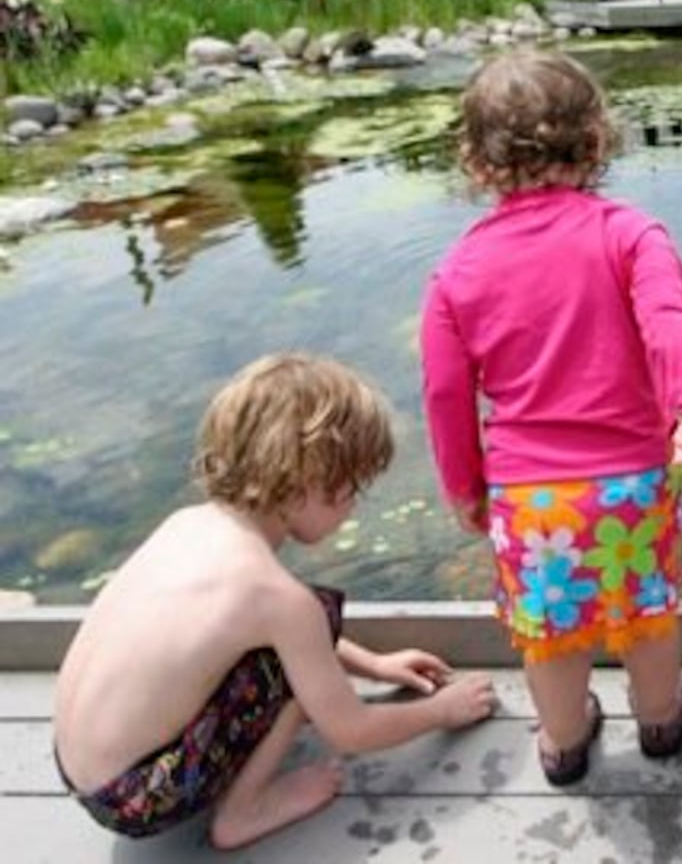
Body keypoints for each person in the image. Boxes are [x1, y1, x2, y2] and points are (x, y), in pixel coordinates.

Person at [420, 50, 682, 787]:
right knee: (647, 611)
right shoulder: (632, 234)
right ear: (596, 143)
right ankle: (658, 722)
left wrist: (466, 487)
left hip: (531, 499)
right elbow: (667, 319)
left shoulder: (456, 272)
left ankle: (563, 742)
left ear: (476, 163)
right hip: (633, 483)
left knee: (552, 634)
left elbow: (444, 393)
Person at [52, 353, 498, 849]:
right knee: (290, 664)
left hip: (78, 770)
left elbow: (259, 632)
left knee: (293, 635)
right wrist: (443, 712)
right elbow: (351, 729)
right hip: (140, 796)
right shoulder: (274, 596)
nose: (352, 507)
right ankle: (245, 812)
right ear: (310, 485)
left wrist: (374, 664)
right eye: (352, 490)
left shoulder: (184, 525)